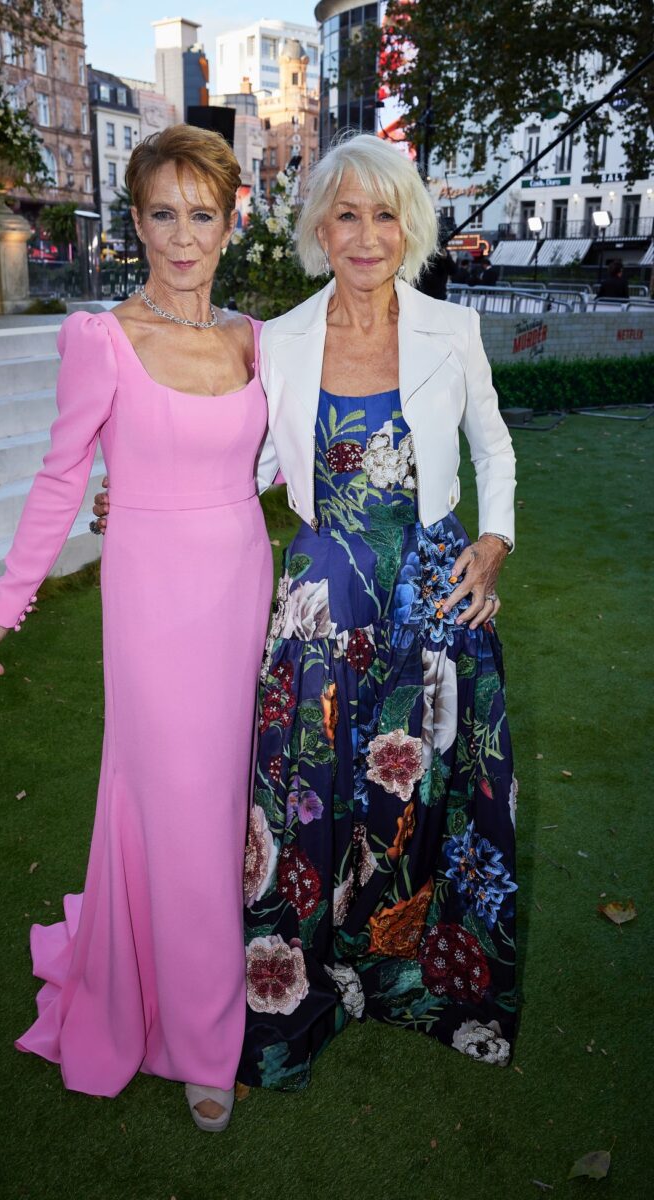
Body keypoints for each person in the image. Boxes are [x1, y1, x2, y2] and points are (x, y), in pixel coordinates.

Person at [95, 134, 520, 1090]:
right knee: (311, 790)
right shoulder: (278, 339)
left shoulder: (452, 329)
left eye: (384, 215)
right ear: (319, 230)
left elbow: (492, 447)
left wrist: (493, 542)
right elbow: (244, 457)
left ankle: (408, 972)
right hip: (324, 593)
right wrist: (144, 492)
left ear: (408, 228)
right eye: (346, 215)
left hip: (431, 586)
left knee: (418, 790)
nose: (365, 236)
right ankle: (308, 977)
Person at [0, 125, 275, 1132]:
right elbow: (61, 479)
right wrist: (5, 605)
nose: (182, 238)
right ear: (135, 222)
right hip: (152, 599)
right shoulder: (101, 339)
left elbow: (269, 463)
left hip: (240, 585)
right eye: (162, 215)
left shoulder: (255, 340)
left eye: (201, 215)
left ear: (231, 224)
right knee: (177, 799)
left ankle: (177, 973)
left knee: (217, 802)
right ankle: (201, 1039)